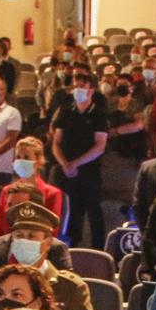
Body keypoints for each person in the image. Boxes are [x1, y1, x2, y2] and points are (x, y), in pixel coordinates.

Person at [47, 72, 110, 248]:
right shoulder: (66, 112)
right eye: (76, 87)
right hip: (66, 168)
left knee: (93, 212)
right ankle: (70, 247)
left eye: (82, 86)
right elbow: (56, 142)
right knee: (70, 211)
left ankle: (99, 250)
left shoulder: (99, 114)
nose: (78, 90)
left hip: (89, 170)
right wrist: (65, 164)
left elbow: (100, 146)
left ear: (91, 90)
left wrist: (76, 163)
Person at [0, 137, 67, 236]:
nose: (21, 161)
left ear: (39, 161)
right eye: (18, 157)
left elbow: (52, 229)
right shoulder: (7, 190)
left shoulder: (52, 194)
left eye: (26, 157)